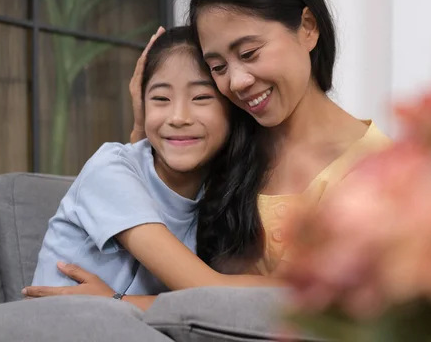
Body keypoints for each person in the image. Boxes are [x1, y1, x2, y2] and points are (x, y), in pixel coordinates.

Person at [23, 0, 389, 306]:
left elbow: (304, 301)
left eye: (249, 53)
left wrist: (119, 305)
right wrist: (144, 125)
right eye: (218, 67)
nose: (238, 81)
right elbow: (148, 197)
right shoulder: (227, 146)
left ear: (308, 27)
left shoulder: (377, 169)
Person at [30, 26, 273, 310]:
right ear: (142, 104)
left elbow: (206, 302)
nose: (179, 117)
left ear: (233, 110)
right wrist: (307, 290)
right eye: (160, 99)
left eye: (201, 98)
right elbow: (211, 293)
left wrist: (117, 301)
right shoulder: (108, 170)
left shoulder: (223, 199)